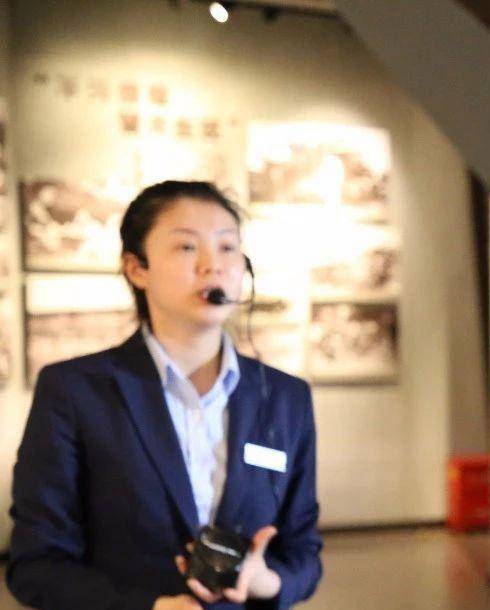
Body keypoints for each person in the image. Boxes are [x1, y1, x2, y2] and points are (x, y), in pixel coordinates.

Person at [7, 181, 322, 610]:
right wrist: (148, 607)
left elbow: (303, 552)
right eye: (187, 247)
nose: (213, 265)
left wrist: (267, 581)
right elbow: (36, 565)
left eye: (228, 247)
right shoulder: (76, 391)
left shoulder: (286, 397)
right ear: (137, 268)